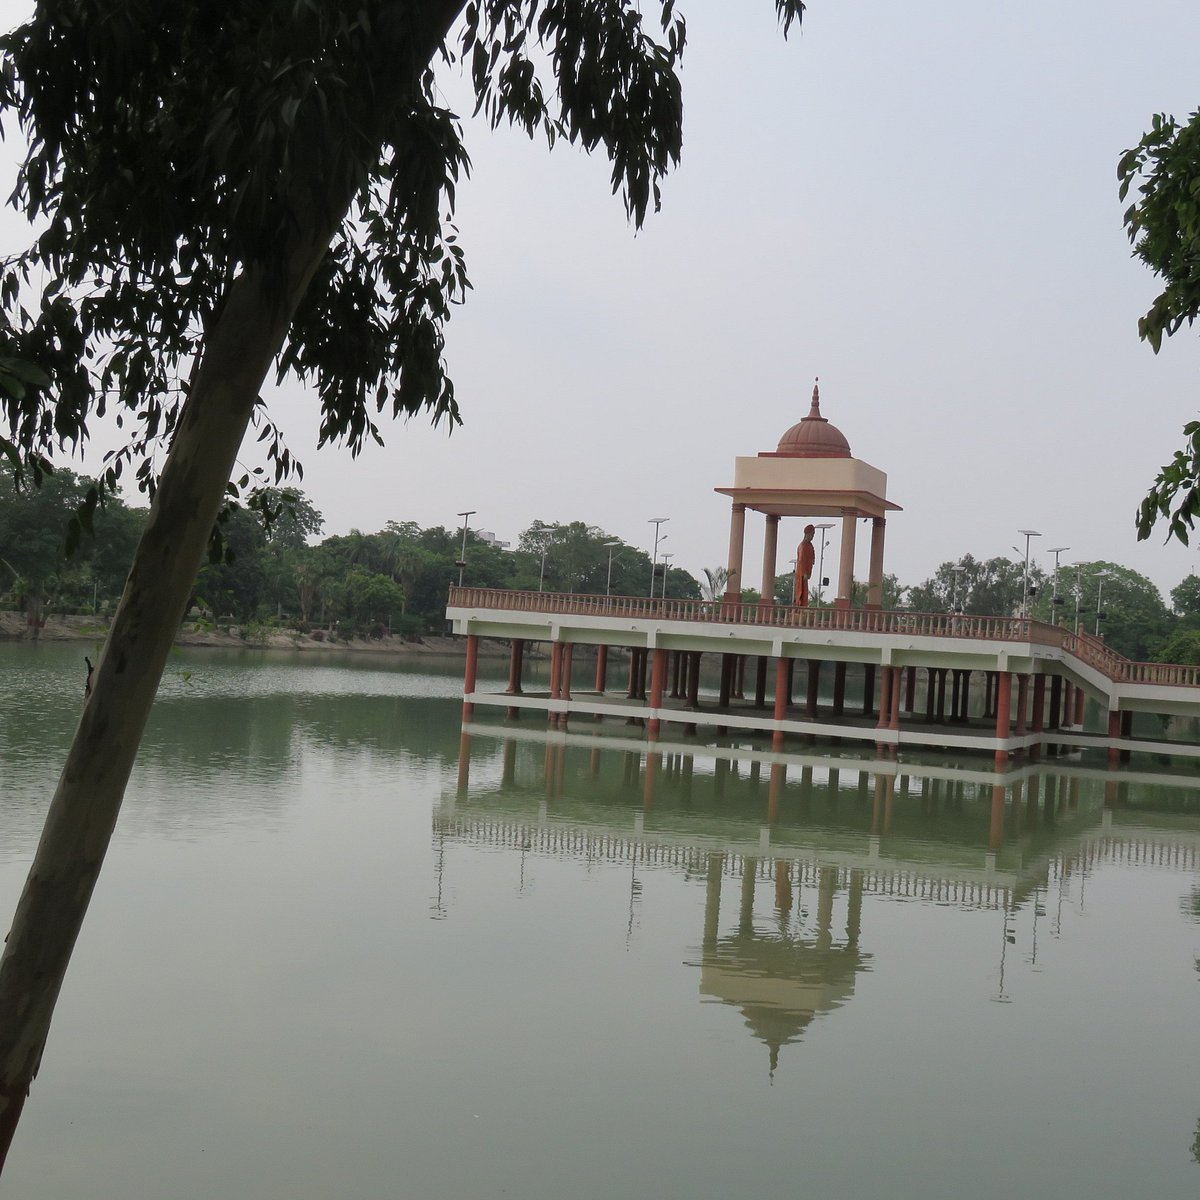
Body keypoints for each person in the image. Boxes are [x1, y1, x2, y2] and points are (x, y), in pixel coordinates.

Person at [795, 524, 816, 606]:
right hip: (802, 573)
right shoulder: (803, 546)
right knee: (801, 591)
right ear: (807, 534)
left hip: (806, 572)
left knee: (805, 592)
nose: (812, 536)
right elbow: (801, 560)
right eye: (812, 534)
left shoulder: (809, 545)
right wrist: (804, 573)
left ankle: (803, 607)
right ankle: (800, 607)